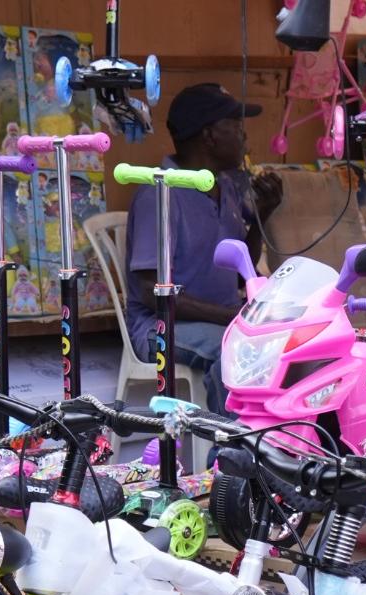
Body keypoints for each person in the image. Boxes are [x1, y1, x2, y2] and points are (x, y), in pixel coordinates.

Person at [125, 83, 282, 405]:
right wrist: (229, 316)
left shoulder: (226, 186)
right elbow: (151, 291)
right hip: (162, 326)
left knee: (289, 344)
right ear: (210, 136)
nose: (245, 136)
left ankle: (273, 433)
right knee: (239, 351)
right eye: (236, 126)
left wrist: (261, 216)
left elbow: (239, 274)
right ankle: (231, 437)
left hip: (221, 320)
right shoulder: (159, 192)